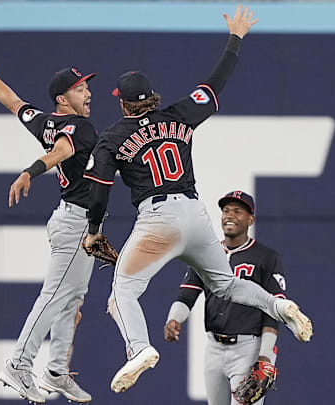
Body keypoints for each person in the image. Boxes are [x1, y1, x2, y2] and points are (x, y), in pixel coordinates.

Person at [81, 5, 312, 394]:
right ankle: (279, 307)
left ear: (122, 103)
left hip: (158, 219)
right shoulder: (178, 115)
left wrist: (93, 229)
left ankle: (138, 348)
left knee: (122, 290)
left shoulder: (113, 136)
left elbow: (100, 186)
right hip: (195, 213)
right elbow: (214, 84)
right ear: (151, 98)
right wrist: (235, 39)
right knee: (224, 284)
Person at [0, 58, 97, 403]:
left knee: (72, 299)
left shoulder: (46, 122)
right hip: (75, 224)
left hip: (73, 221)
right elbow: (62, 151)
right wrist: (30, 172)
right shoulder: (79, 129)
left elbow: (13, 102)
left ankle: (55, 371)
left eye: (86, 86)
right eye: (80, 88)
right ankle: (19, 364)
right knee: (55, 296)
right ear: (62, 99)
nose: (88, 93)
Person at [164, 191, 285, 405]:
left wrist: (265, 355)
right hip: (214, 347)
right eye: (226, 210)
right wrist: (174, 318)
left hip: (248, 348)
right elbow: (188, 293)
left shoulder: (266, 257)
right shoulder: (206, 254)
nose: (230, 215)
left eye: (238, 211)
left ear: (250, 219)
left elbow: (274, 310)